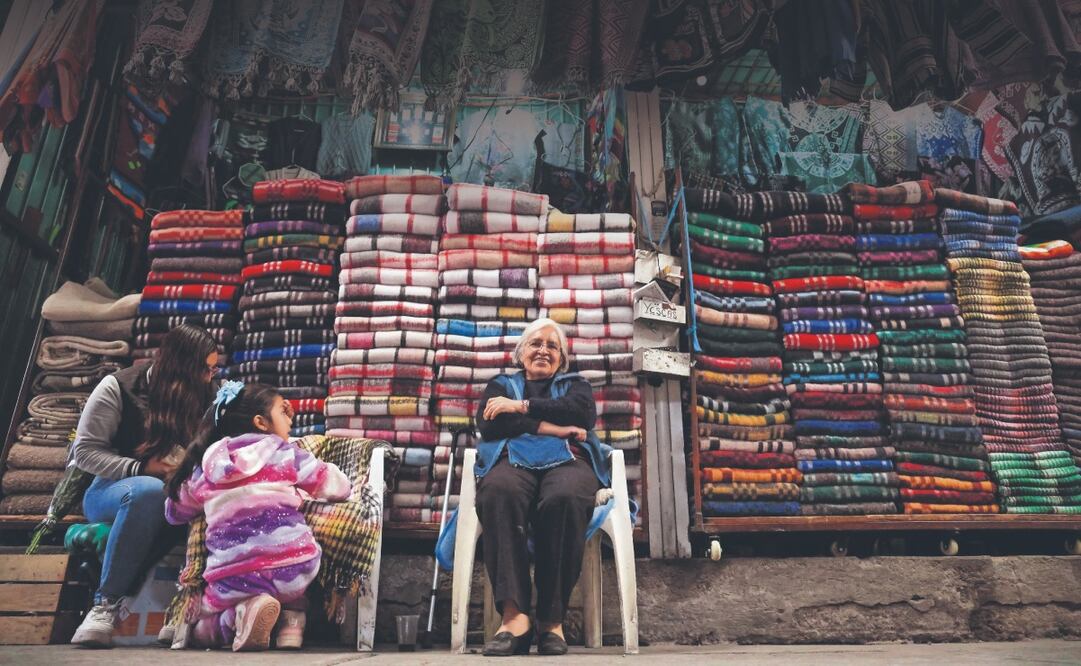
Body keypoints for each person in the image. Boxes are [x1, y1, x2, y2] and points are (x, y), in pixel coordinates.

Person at [165, 381, 351, 651]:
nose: (289, 419)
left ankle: (236, 616)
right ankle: (291, 625)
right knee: (290, 559)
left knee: (202, 628)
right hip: (295, 566)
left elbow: (175, 512)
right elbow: (334, 485)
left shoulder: (210, 465)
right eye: (282, 411)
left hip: (233, 575)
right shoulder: (286, 453)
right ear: (261, 423)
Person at [70, 323, 218, 648]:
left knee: (213, 503)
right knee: (148, 493)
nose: (210, 377)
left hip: (171, 491)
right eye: (205, 370)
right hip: (113, 490)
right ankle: (105, 605)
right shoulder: (119, 387)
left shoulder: (206, 396)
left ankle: (183, 610)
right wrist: (140, 468)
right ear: (183, 367)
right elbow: (84, 452)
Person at [474, 318, 612, 657]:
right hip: (512, 462)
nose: (543, 350)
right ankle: (514, 619)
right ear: (521, 353)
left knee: (564, 498)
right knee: (498, 492)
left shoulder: (575, 385)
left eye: (552, 346)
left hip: (569, 463)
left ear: (561, 360)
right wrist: (556, 428)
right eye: (536, 343)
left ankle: (552, 622)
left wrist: (521, 408)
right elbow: (490, 425)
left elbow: (581, 414)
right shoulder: (500, 385)